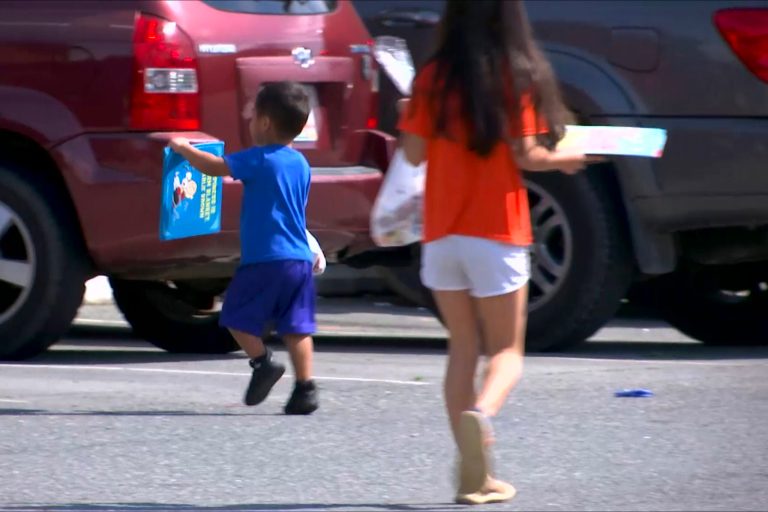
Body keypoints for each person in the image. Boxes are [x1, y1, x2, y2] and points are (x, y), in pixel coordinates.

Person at [397, 0, 603, 505]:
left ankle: (476, 478)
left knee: (462, 349)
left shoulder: (434, 75)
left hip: (442, 232)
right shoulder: (516, 74)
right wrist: (574, 157)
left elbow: (413, 153)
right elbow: (526, 154)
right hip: (496, 229)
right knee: (507, 354)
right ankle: (482, 419)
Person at [168, 81, 321, 415]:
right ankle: (305, 388)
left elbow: (214, 168)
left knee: (235, 316)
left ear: (265, 122)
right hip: (298, 260)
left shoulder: (259, 159)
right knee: (297, 327)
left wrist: (183, 149)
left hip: (266, 258)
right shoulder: (301, 165)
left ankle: (263, 362)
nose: (250, 123)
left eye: (253, 117)